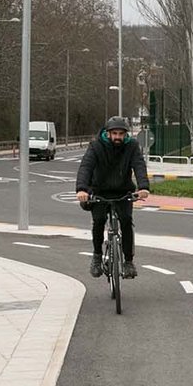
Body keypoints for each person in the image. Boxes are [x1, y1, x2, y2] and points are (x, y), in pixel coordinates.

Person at [74, 115, 150, 279]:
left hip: (123, 192)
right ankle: (96, 256)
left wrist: (143, 187)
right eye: (114, 133)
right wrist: (81, 189)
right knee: (99, 220)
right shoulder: (96, 146)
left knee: (126, 221)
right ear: (108, 133)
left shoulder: (132, 146)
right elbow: (86, 167)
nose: (117, 137)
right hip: (100, 191)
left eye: (121, 134)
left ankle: (129, 261)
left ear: (125, 134)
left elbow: (139, 165)